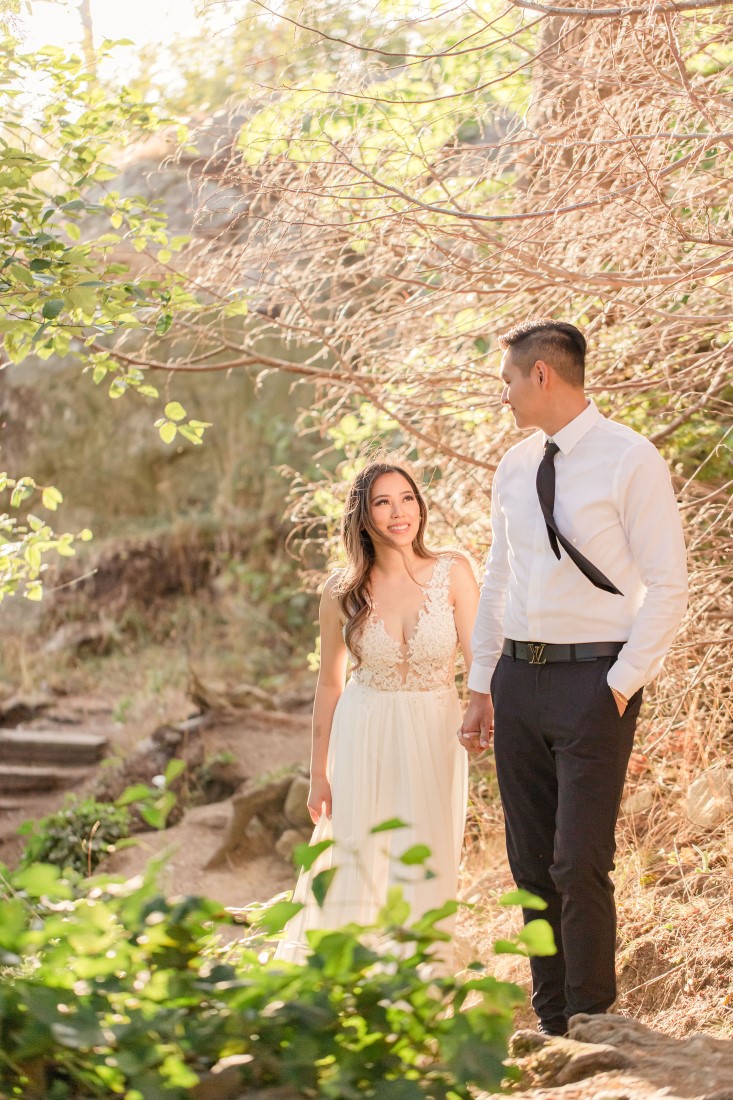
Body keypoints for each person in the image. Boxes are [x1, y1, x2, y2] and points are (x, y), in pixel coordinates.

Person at [460, 319, 688, 1036]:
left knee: (576, 860)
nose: (502, 394)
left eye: (506, 380)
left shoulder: (629, 458)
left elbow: (668, 583)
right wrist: (480, 682)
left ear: (541, 376)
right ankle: (552, 1020)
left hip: (593, 682)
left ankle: (593, 1018)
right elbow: (498, 575)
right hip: (516, 681)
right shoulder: (512, 465)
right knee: (529, 862)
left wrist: (620, 682)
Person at [275, 459, 479, 965]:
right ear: (362, 516)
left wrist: (485, 708)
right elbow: (329, 685)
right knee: (359, 855)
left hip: (436, 732)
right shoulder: (341, 592)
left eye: (407, 498)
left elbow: (482, 660)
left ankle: (418, 975)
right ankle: (349, 972)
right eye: (383, 502)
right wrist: (317, 774)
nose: (398, 512)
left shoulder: (454, 572)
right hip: (363, 735)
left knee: (427, 856)